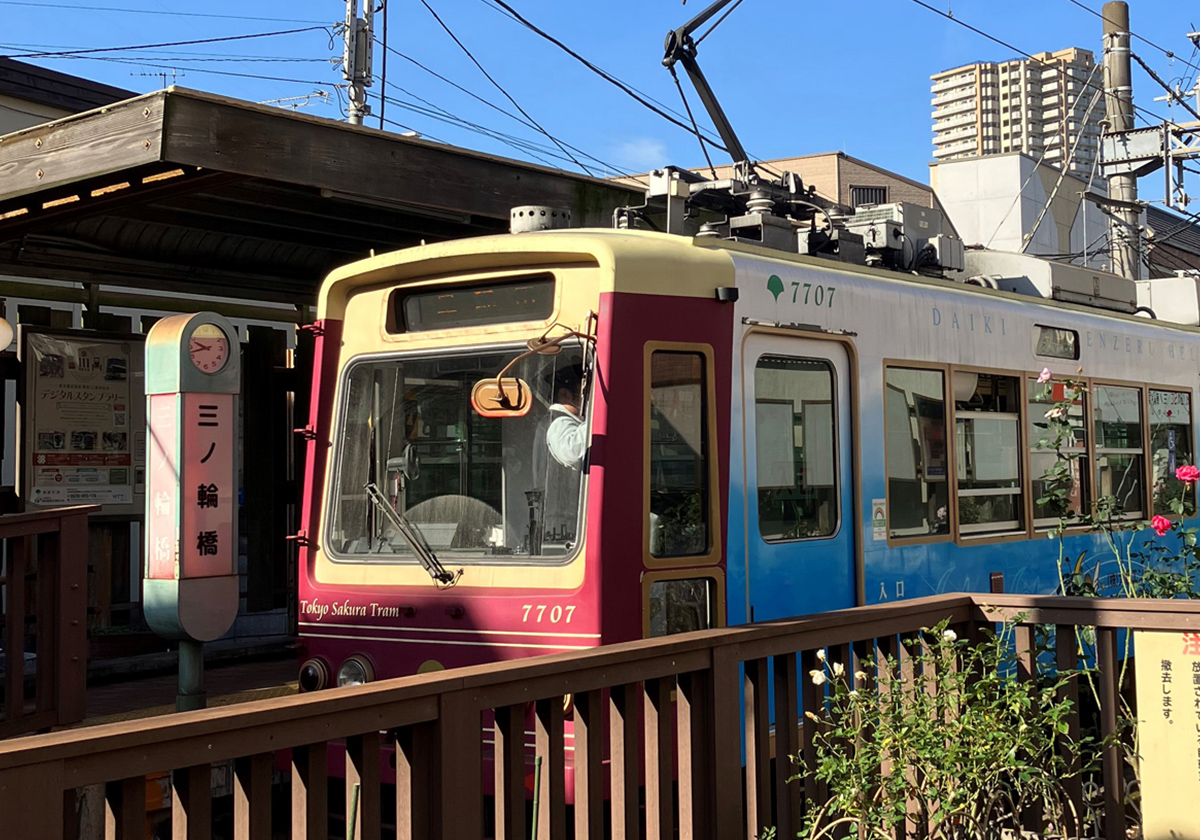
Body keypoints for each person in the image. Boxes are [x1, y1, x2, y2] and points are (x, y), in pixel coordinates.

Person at [545, 362, 587, 471]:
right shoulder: (558, 422)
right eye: (583, 393)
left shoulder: (556, 421)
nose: (587, 399)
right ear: (564, 394)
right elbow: (573, 451)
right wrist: (596, 420)